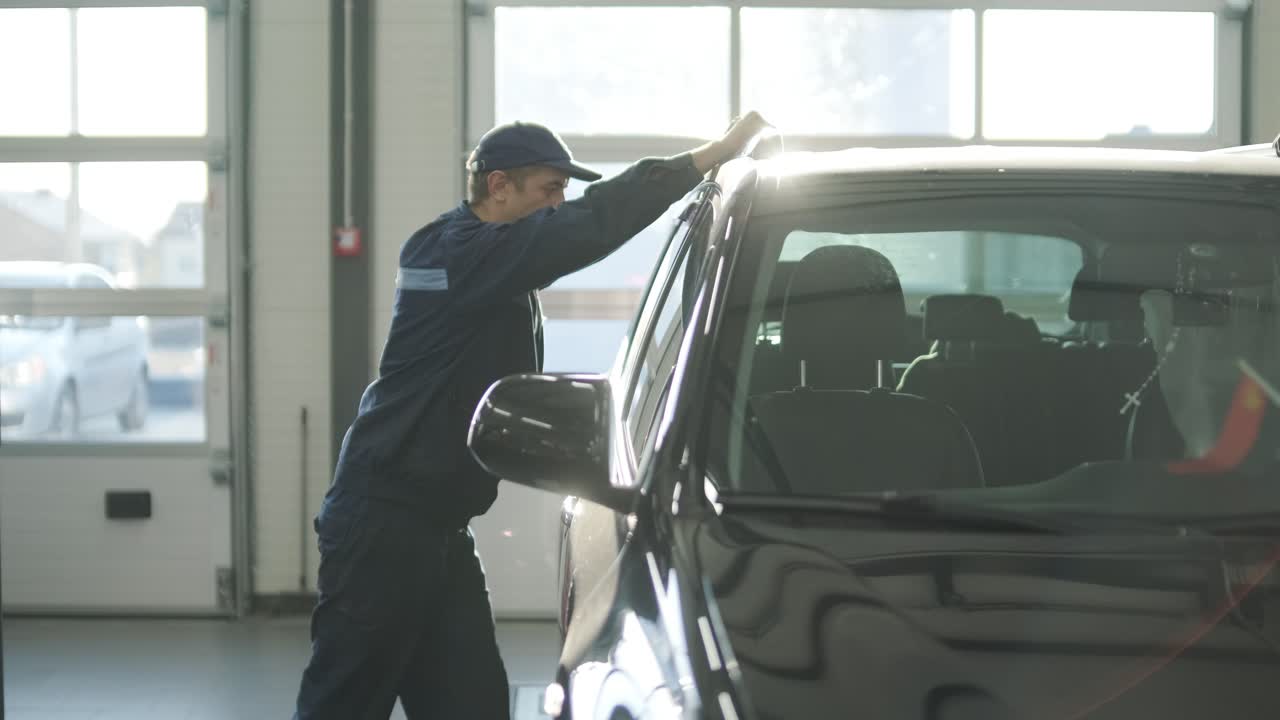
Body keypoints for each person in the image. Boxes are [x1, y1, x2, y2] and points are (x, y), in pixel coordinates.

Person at [294, 111, 772, 719]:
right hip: (383, 527)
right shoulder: (453, 250)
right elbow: (587, 225)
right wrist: (708, 157)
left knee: (471, 703)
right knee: (344, 701)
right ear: (499, 186)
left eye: (562, 192)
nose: (559, 203)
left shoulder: (489, 260)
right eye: (549, 189)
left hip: (438, 529)